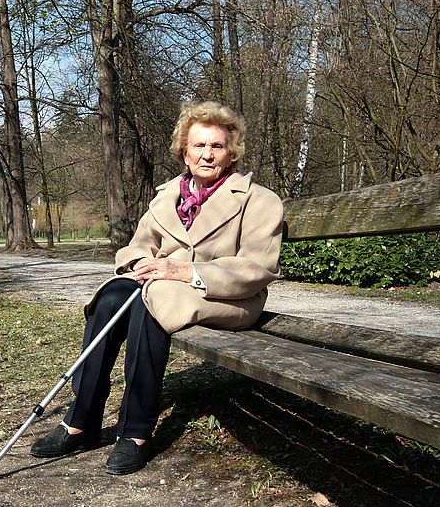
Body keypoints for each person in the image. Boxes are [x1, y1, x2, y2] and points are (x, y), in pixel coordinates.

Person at [30, 100, 284, 475]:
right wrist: (137, 265)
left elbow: (256, 267)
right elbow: (137, 244)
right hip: (168, 287)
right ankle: (81, 420)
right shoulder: (167, 195)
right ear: (184, 151)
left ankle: (135, 432)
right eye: (199, 145)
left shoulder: (258, 200)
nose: (207, 154)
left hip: (226, 297)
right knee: (114, 293)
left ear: (232, 153)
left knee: (154, 298)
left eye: (217, 146)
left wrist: (183, 271)